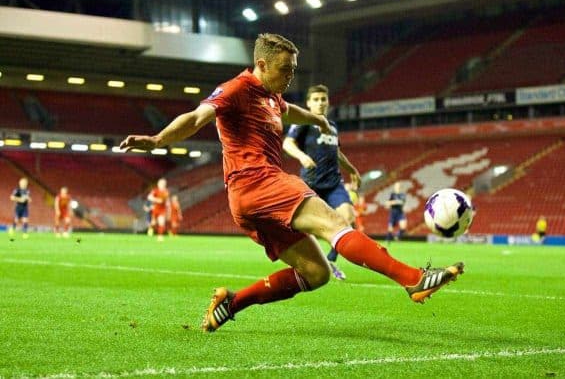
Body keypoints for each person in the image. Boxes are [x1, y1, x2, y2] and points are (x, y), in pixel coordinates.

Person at [120, 33, 464, 333]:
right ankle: (412, 278)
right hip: (256, 181)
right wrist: (158, 140)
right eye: (285, 69)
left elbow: (288, 110)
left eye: (294, 70)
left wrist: (315, 118)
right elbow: (197, 117)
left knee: (315, 273)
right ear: (262, 64)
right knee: (335, 222)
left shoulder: (271, 96)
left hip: (249, 199)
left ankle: (231, 303)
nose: (290, 76)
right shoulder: (236, 89)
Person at [283, 84, 361, 280]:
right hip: (311, 183)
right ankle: (306, 262)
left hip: (334, 183)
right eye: (316, 100)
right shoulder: (303, 122)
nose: (320, 103)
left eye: (323, 99)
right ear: (309, 103)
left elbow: (336, 152)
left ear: (328, 102)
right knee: (302, 228)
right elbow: (287, 143)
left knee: (348, 216)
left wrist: (352, 170)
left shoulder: (332, 126)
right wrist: (301, 156)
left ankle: (331, 260)